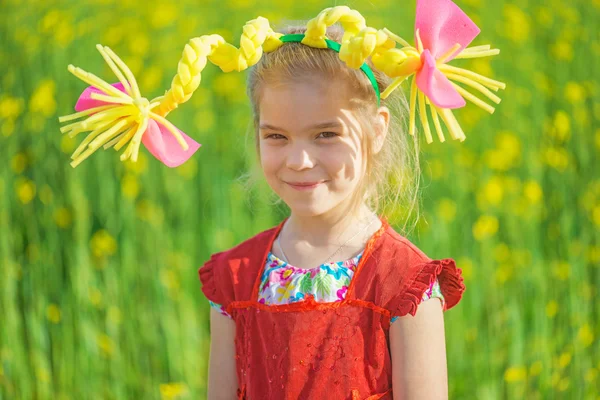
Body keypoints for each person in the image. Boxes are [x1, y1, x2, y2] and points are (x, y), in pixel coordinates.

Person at [59, 1, 504, 397]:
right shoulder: (234, 280)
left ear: (377, 129)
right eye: (277, 136)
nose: (299, 159)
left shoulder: (405, 284)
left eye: (326, 134)